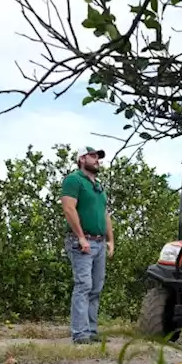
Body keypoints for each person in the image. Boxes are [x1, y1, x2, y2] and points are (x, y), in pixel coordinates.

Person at [60, 147, 114, 344]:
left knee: (96, 288)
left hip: (99, 242)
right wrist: (81, 237)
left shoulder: (98, 186)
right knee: (84, 286)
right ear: (82, 158)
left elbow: (104, 214)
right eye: (93, 156)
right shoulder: (74, 180)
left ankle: (91, 331)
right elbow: (68, 208)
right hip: (82, 242)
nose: (97, 159)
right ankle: (80, 333)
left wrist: (111, 240)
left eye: (99, 156)